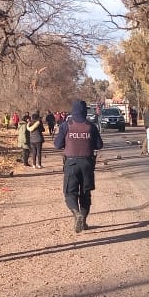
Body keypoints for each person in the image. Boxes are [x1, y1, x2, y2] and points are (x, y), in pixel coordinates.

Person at [53, 99, 103, 232]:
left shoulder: (66, 125)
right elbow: (99, 145)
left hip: (71, 163)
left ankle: (76, 213)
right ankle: (83, 221)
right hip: (87, 163)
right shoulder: (91, 126)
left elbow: (57, 145)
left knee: (70, 193)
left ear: (73, 111)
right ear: (85, 111)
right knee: (85, 194)